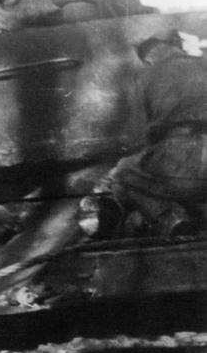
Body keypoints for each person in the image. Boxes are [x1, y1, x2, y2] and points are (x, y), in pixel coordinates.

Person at [88, 31, 207, 237]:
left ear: (150, 56)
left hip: (182, 160)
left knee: (121, 175)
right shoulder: (204, 63)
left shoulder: (146, 76)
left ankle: (173, 221)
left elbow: (138, 137)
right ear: (176, 46)